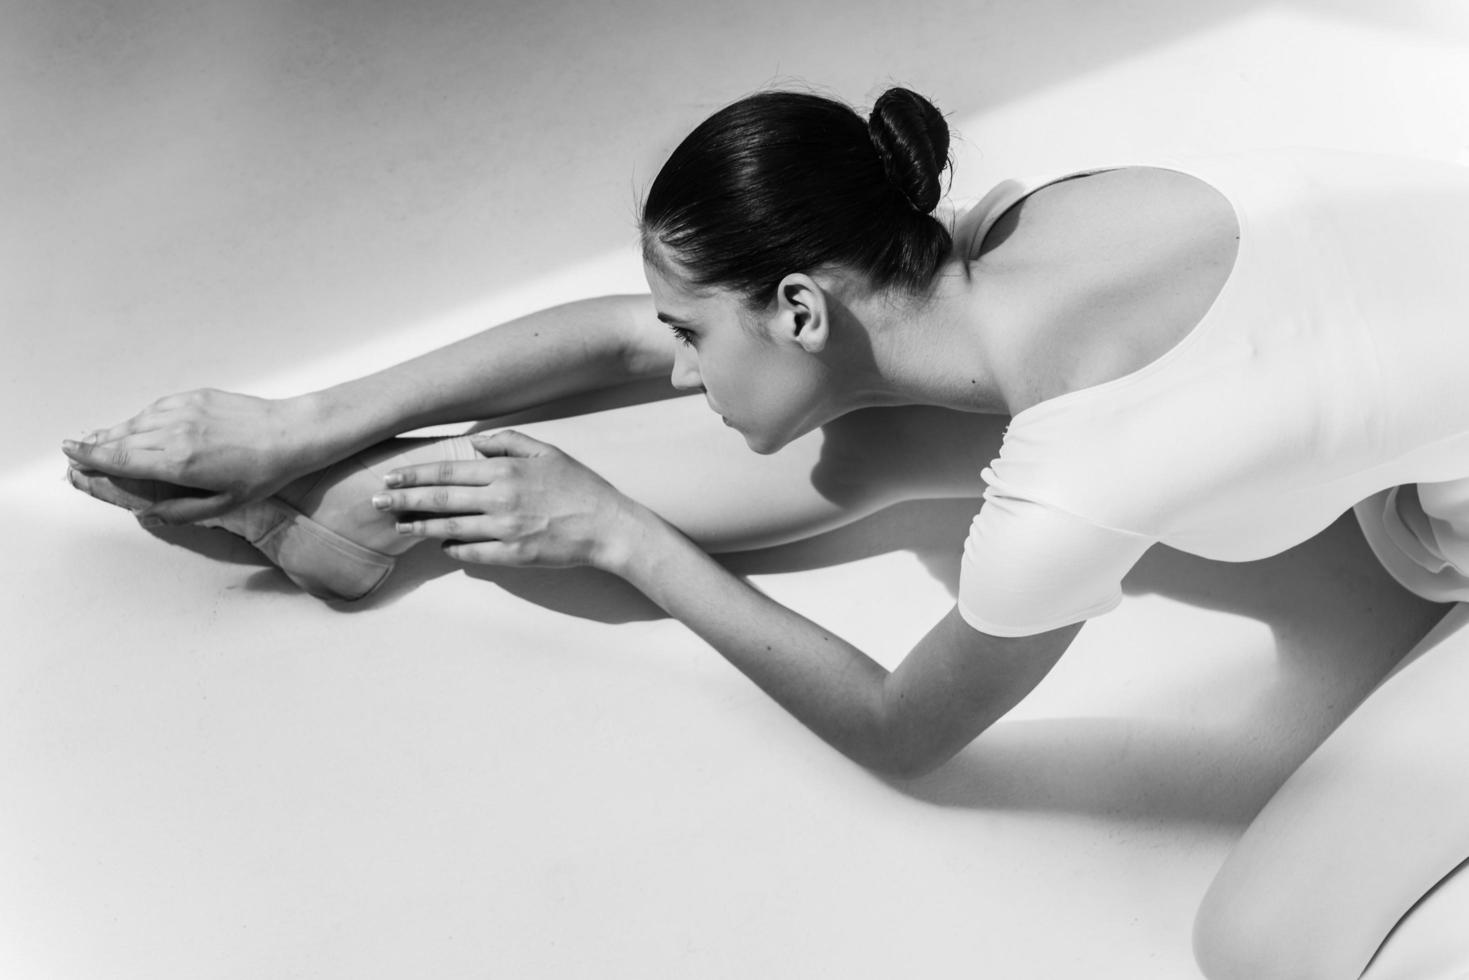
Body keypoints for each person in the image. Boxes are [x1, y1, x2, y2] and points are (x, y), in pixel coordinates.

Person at [62, 86, 1469, 979]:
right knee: (862, 440)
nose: (675, 360)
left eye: (696, 334)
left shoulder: (1077, 477)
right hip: (1427, 469)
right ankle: (362, 513)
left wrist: (619, 534)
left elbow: (903, 727)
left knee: (1265, 945)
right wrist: (307, 421)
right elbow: (638, 340)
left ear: (800, 306)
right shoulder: (1027, 236)